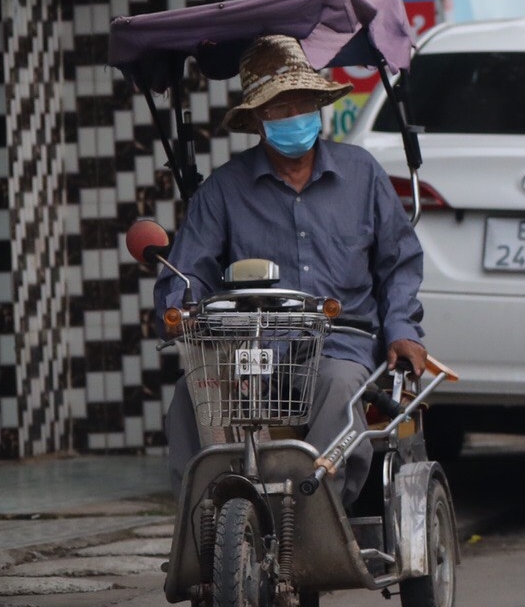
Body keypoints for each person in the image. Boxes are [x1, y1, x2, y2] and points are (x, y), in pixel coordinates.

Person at [158, 35, 436, 505]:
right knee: (191, 393)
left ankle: (314, 514)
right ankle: (203, 516)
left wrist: (401, 331)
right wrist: (180, 310)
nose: (294, 117)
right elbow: (188, 271)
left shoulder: (362, 173)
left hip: (341, 345)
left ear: (318, 107)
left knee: (340, 386)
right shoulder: (225, 189)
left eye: (303, 104)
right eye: (279, 109)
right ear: (257, 121)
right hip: (252, 350)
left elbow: (399, 264)